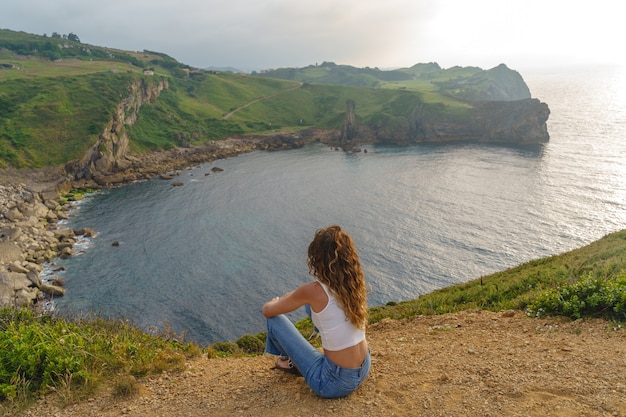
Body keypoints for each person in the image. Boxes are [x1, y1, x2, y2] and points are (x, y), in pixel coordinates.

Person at [262, 225, 370, 398]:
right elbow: (308, 298)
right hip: (363, 368)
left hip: (332, 383)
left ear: (317, 259)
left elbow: (267, 311)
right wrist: (297, 296)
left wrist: (277, 301)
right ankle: (301, 359)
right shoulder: (354, 285)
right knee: (311, 306)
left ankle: (289, 361)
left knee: (274, 320)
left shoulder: (312, 291)